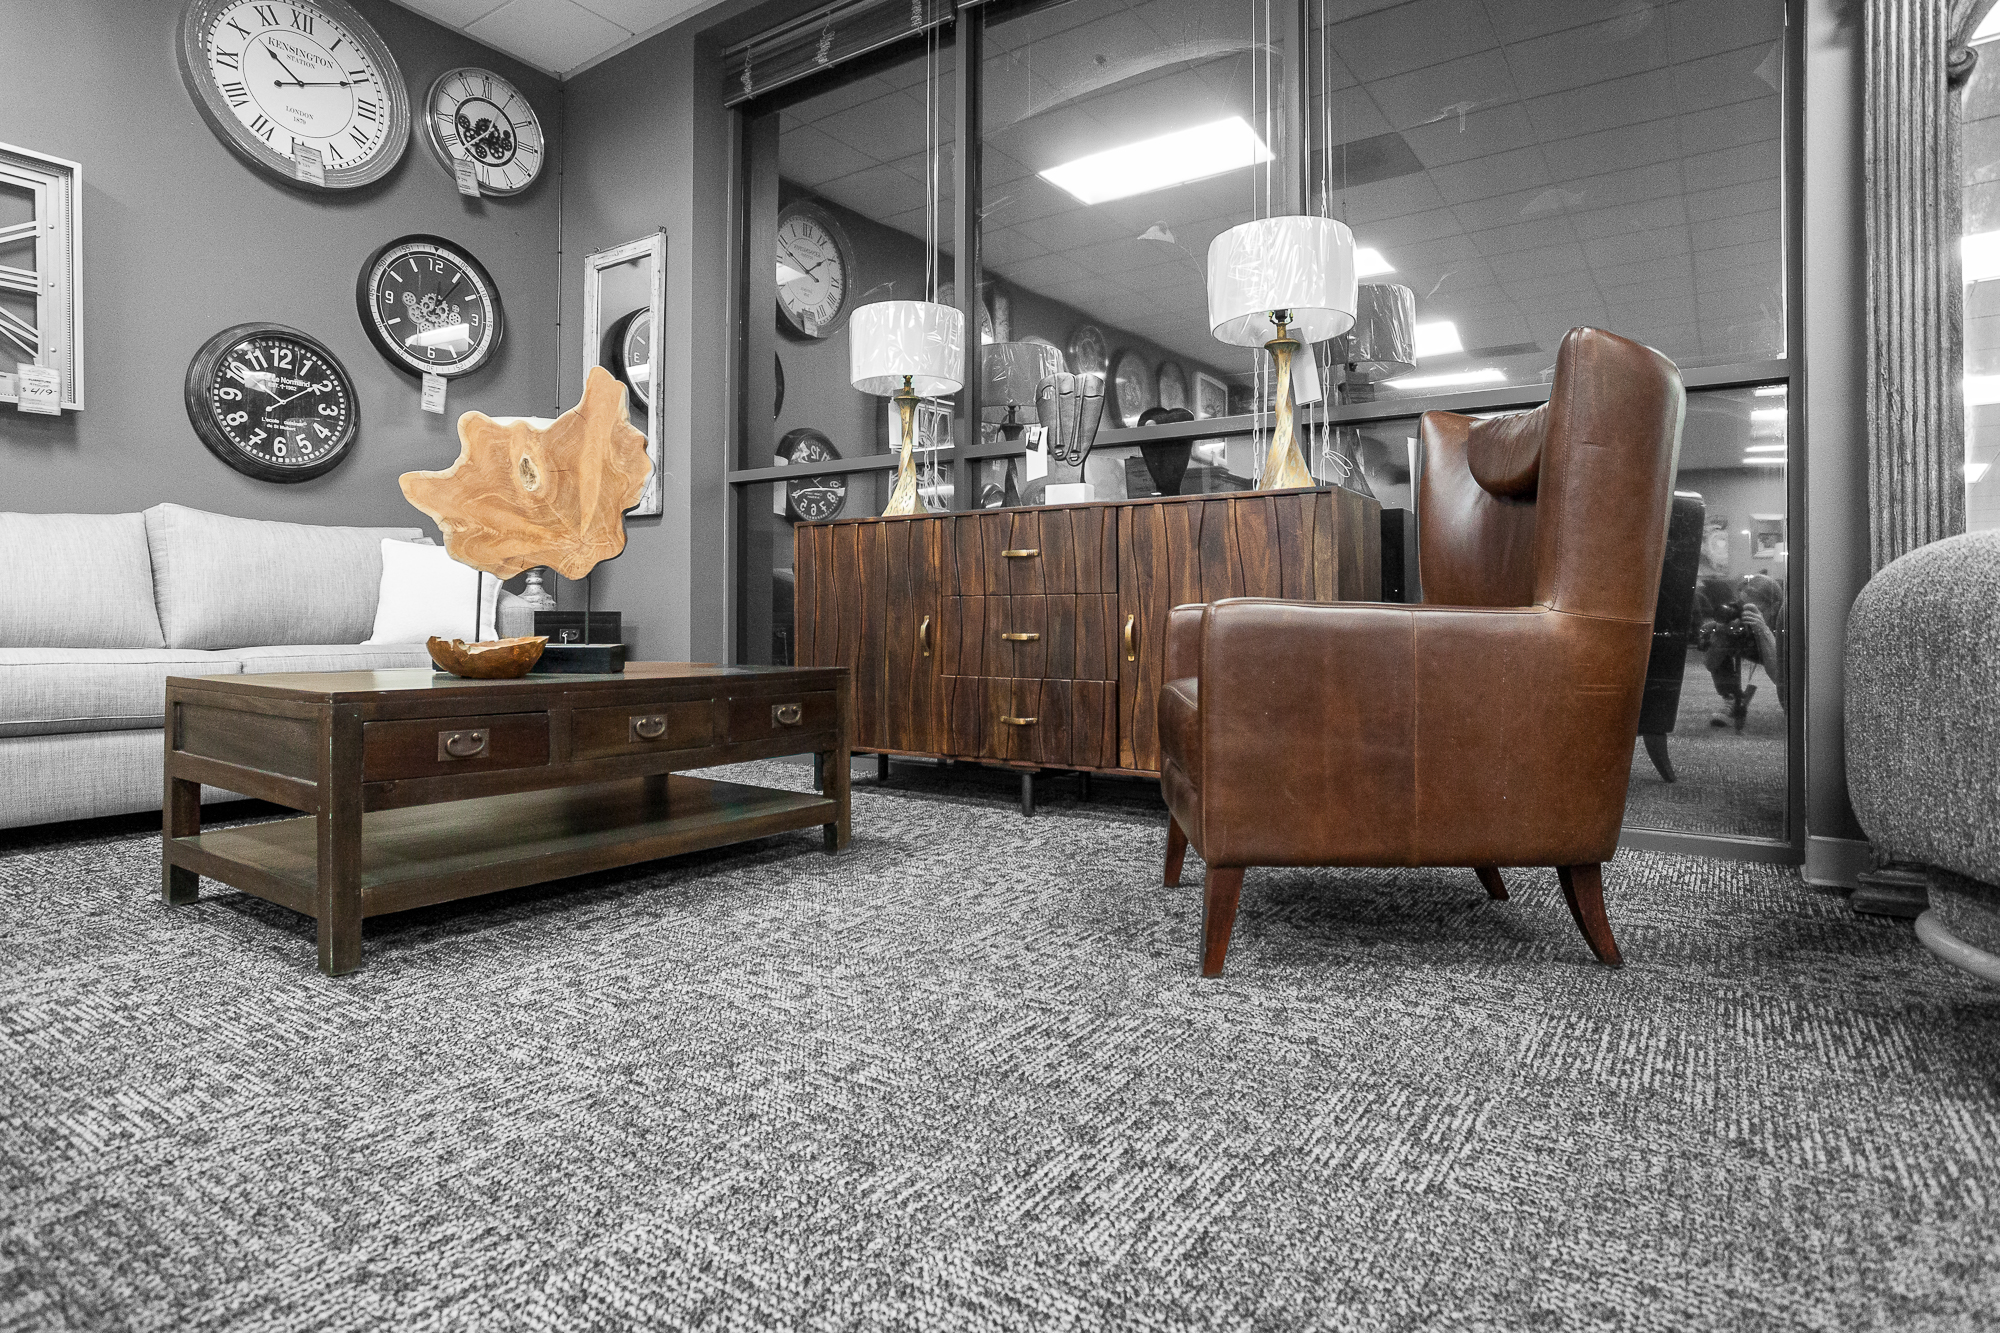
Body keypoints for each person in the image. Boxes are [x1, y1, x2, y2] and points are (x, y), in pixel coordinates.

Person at [1696, 573, 1787, 729]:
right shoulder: (1737, 624)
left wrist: (1762, 629)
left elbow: (1780, 677)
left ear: (1773, 607)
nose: (1743, 614)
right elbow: (1711, 664)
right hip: (1750, 643)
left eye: (1751, 609)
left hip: (1772, 643)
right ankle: (1731, 697)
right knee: (1721, 636)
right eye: (1740, 606)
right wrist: (1721, 632)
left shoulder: (1786, 623)